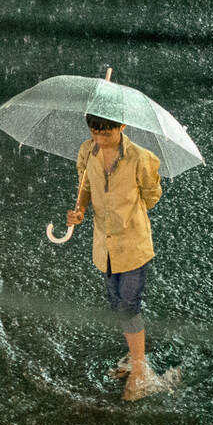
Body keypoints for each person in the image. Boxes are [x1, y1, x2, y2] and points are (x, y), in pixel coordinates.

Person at [65, 113, 164, 401]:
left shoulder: (141, 158)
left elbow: (152, 196)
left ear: (121, 127)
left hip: (132, 244)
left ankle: (140, 369)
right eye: (94, 131)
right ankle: (134, 358)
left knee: (129, 305)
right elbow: (84, 188)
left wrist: (127, 209)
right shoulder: (87, 151)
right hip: (104, 245)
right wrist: (80, 210)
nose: (98, 137)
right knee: (116, 302)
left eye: (105, 132)